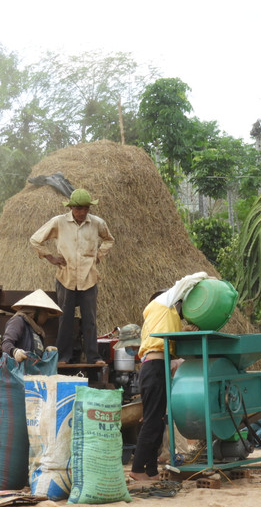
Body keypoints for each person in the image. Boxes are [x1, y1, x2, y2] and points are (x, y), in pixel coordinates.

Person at [128, 271, 208, 482]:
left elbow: (171, 347)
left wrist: (185, 331)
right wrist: (206, 278)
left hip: (157, 367)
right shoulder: (163, 303)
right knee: (152, 421)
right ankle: (137, 468)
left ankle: (151, 470)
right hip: (155, 367)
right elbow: (186, 281)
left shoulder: (159, 319)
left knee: (157, 420)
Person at [30, 188, 115, 365]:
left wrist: (99, 256)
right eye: (78, 208)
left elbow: (109, 239)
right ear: (71, 208)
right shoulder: (59, 222)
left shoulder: (97, 223)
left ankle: (93, 357)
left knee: (90, 319)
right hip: (65, 277)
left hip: (89, 277)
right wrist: (51, 257)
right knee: (65, 318)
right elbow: (35, 239)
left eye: (86, 208)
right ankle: (63, 357)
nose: (82, 212)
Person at [0, 289, 63, 362]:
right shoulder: (18, 321)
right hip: (17, 368)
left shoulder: (37, 329)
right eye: (45, 312)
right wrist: (15, 352)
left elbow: (34, 352)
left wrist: (45, 352)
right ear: (35, 312)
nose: (47, 316)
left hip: (32, 368)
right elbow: (6, 343)